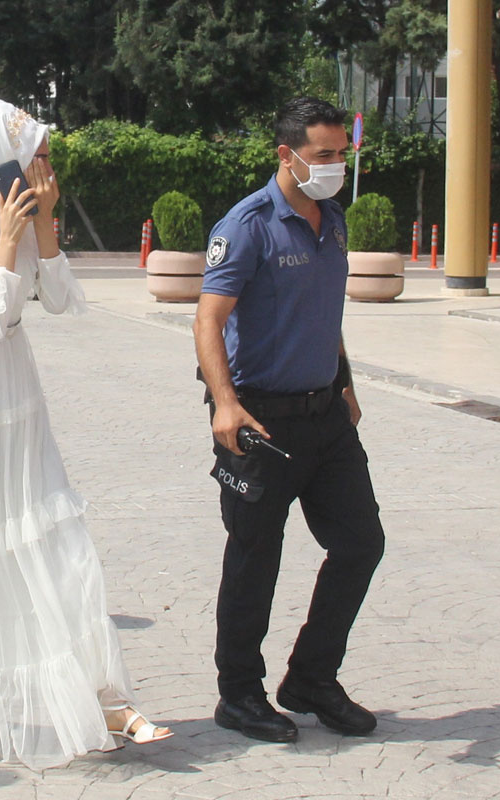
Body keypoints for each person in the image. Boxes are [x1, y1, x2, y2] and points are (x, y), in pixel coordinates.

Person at [0, 98, 172, 771]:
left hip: (19, 408)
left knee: (60, 548)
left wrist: (45, 225)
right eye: (35, 157)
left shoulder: (18, 217)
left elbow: (65, 301)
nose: (46, 168)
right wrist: (8, 245)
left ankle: (105, 696)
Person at [192, 97, 385, 744]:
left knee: (361, 543)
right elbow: (209, 319)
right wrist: (224, 403)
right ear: (287, 154)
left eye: (341, 153)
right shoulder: (246, 224)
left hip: (326, 415)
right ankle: (239, 694)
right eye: (323, 155)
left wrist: (347, 383)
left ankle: (310, 678)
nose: (335, 166)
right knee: (255, 558)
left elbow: (325, 315)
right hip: (260, 422)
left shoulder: (332, 219)